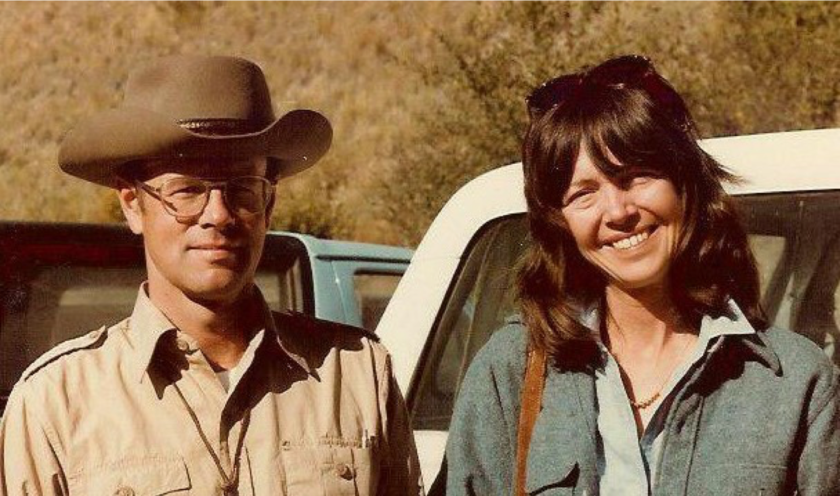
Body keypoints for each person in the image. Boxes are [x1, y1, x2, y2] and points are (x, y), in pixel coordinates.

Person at [0, 55, 423, 495]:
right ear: (132, 204)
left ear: (269, 205)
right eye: (187, 190)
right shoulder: (56, 402)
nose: (218, 216)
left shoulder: (355, 373)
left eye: (242, 190)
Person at [445, 55, 840, 495]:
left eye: (636, 177)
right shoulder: (510, 373)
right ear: (559, 221)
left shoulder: (797, 383)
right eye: (584, 193)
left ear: (685, 183)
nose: (618, 212)